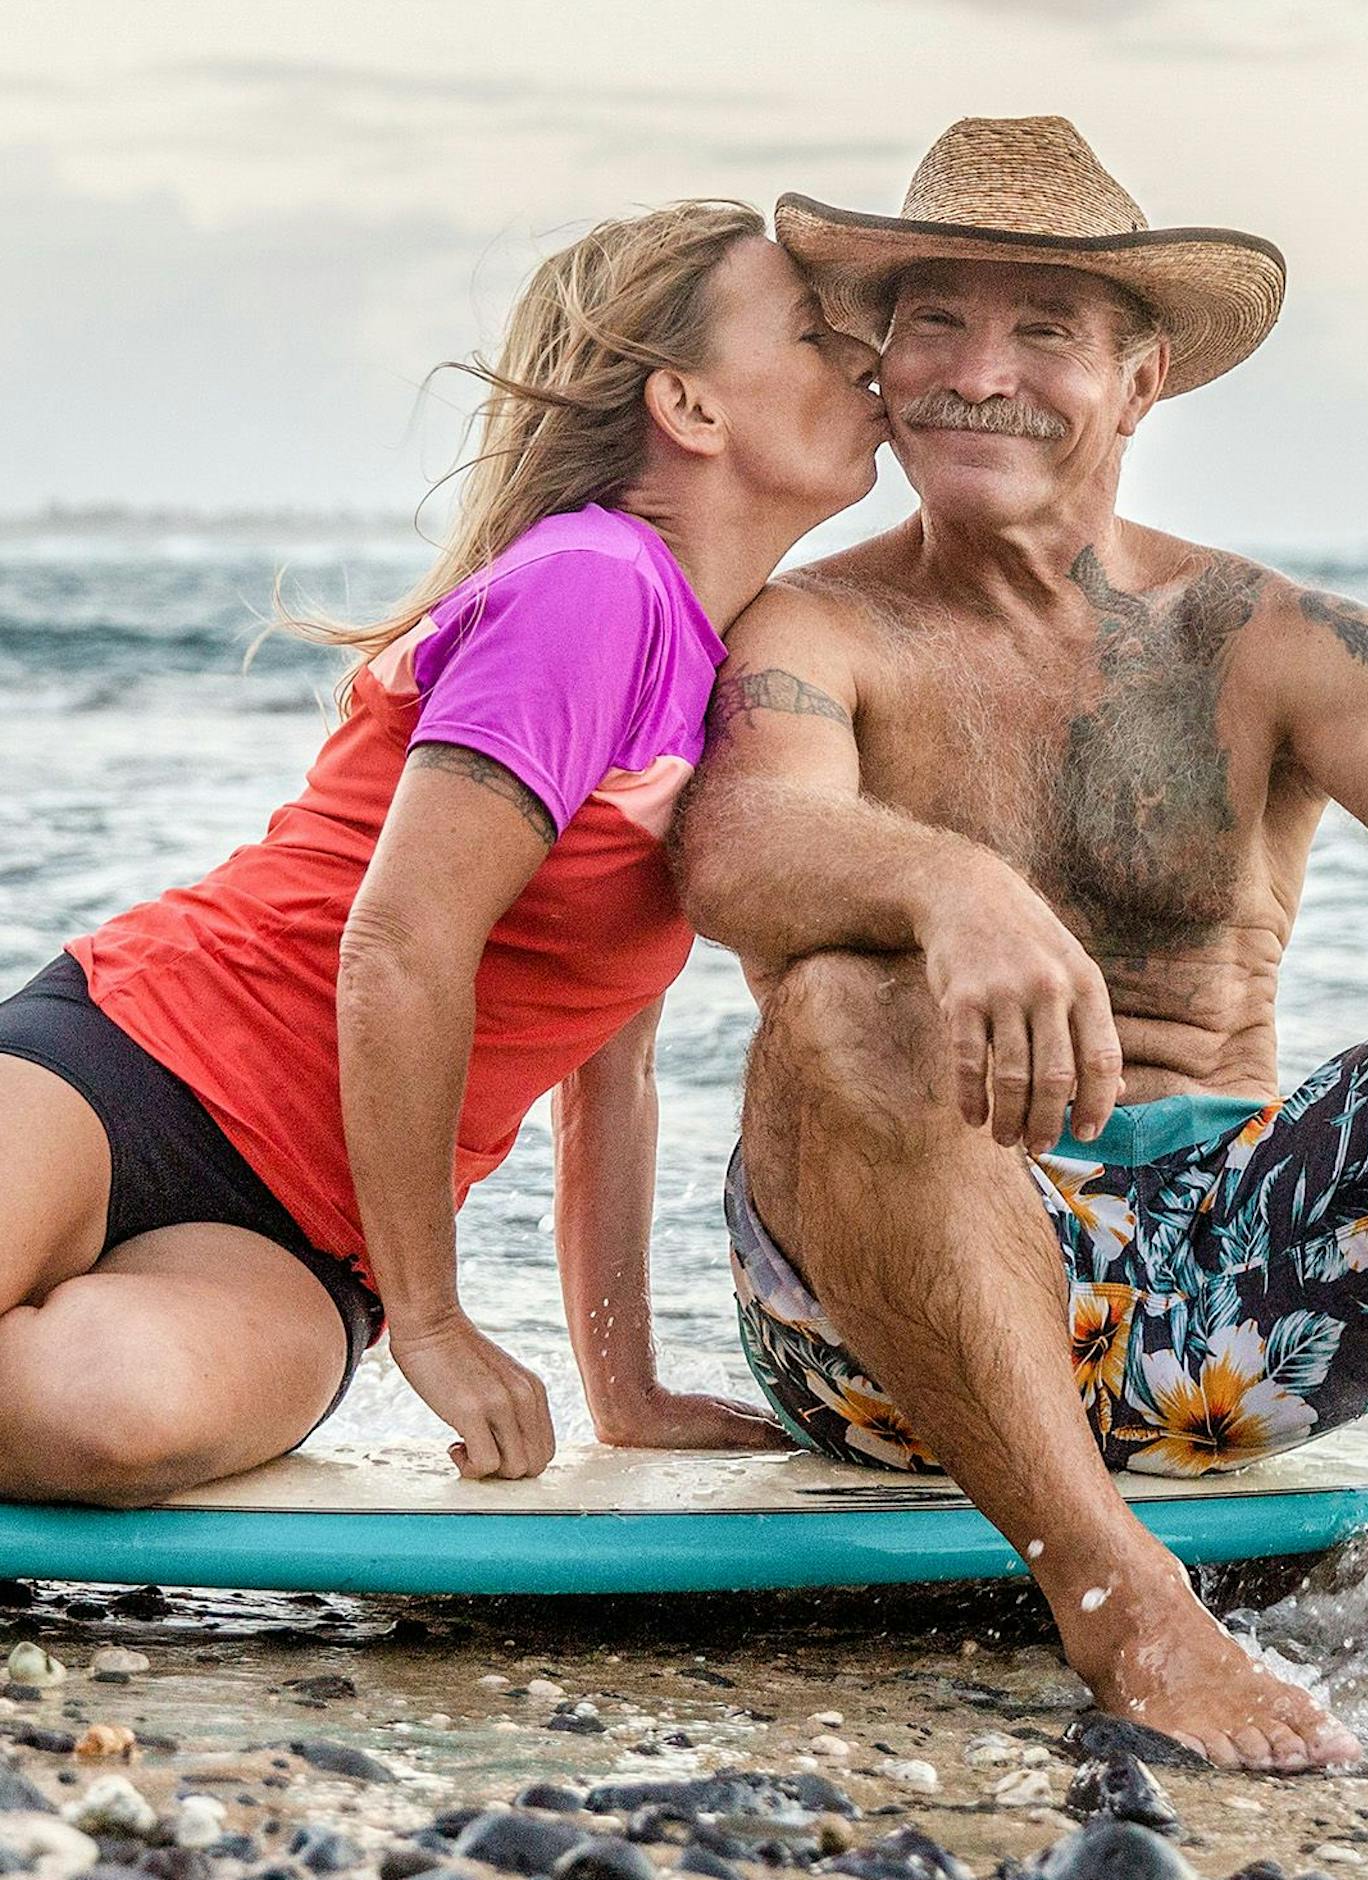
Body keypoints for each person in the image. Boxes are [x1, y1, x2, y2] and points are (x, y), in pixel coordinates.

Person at [677, 119, 1368, 1772]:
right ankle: (1124, 1605)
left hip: (1242, 1302)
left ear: (1140, 380)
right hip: (899, 1328)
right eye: (938, 324)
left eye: (1044, 332)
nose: (980, 375)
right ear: (882, 363)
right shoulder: (822, 626)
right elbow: (739, 840)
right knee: (838, 1001)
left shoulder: (1256, 634)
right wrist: (951, 890)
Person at [0, 201, 887, 1507]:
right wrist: (433, 1321)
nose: (861, 354)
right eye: (814, 332)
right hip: (136, 1064)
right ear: (690, 408)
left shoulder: (724, 674)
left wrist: (623, 1390)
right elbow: (403, 943)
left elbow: (613, 1073)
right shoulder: (596, 581)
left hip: (304, 1238)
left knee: (99, 1421)